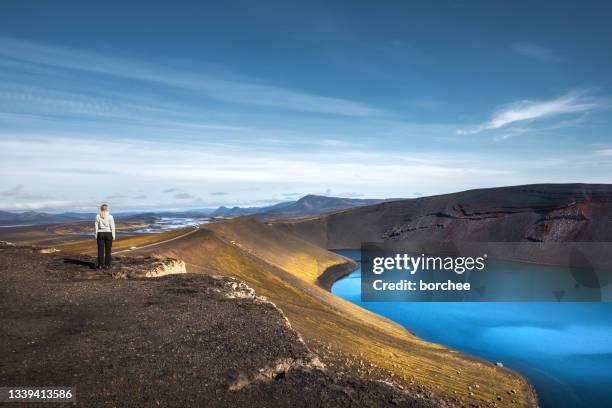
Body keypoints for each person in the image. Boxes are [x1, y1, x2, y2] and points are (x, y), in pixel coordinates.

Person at [94, 203, 116, 269]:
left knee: (100, 250)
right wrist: (113, 235)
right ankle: (107, 265)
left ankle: (100, 265)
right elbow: (113, 227)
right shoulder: (110, 216)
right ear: (107, 209)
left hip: (100, 234)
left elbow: (96, 226)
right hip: (108, 234)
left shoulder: (97, 216)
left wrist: (96, 235)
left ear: (101, 209)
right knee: (108, 250)